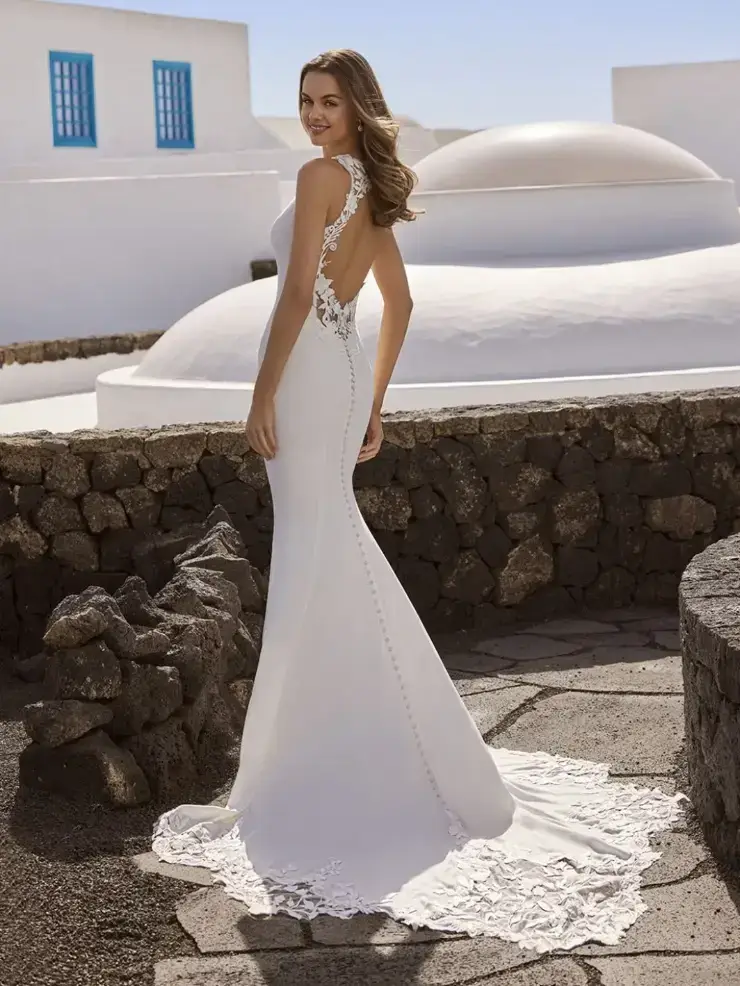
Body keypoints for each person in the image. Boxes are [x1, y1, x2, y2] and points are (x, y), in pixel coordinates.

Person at [153, 49, 682, 951]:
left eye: (329, 101)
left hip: (307, 376)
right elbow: (396, 303)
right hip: (343, 376)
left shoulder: (323, 175)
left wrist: (260, 394)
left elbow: (290, 299)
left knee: (318, 549)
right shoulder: (371, 187)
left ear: (358, 108)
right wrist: (374, 398)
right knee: (329, 546)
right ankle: (361, 739)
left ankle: (318, 754)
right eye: (305, 102)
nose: (315, 116)